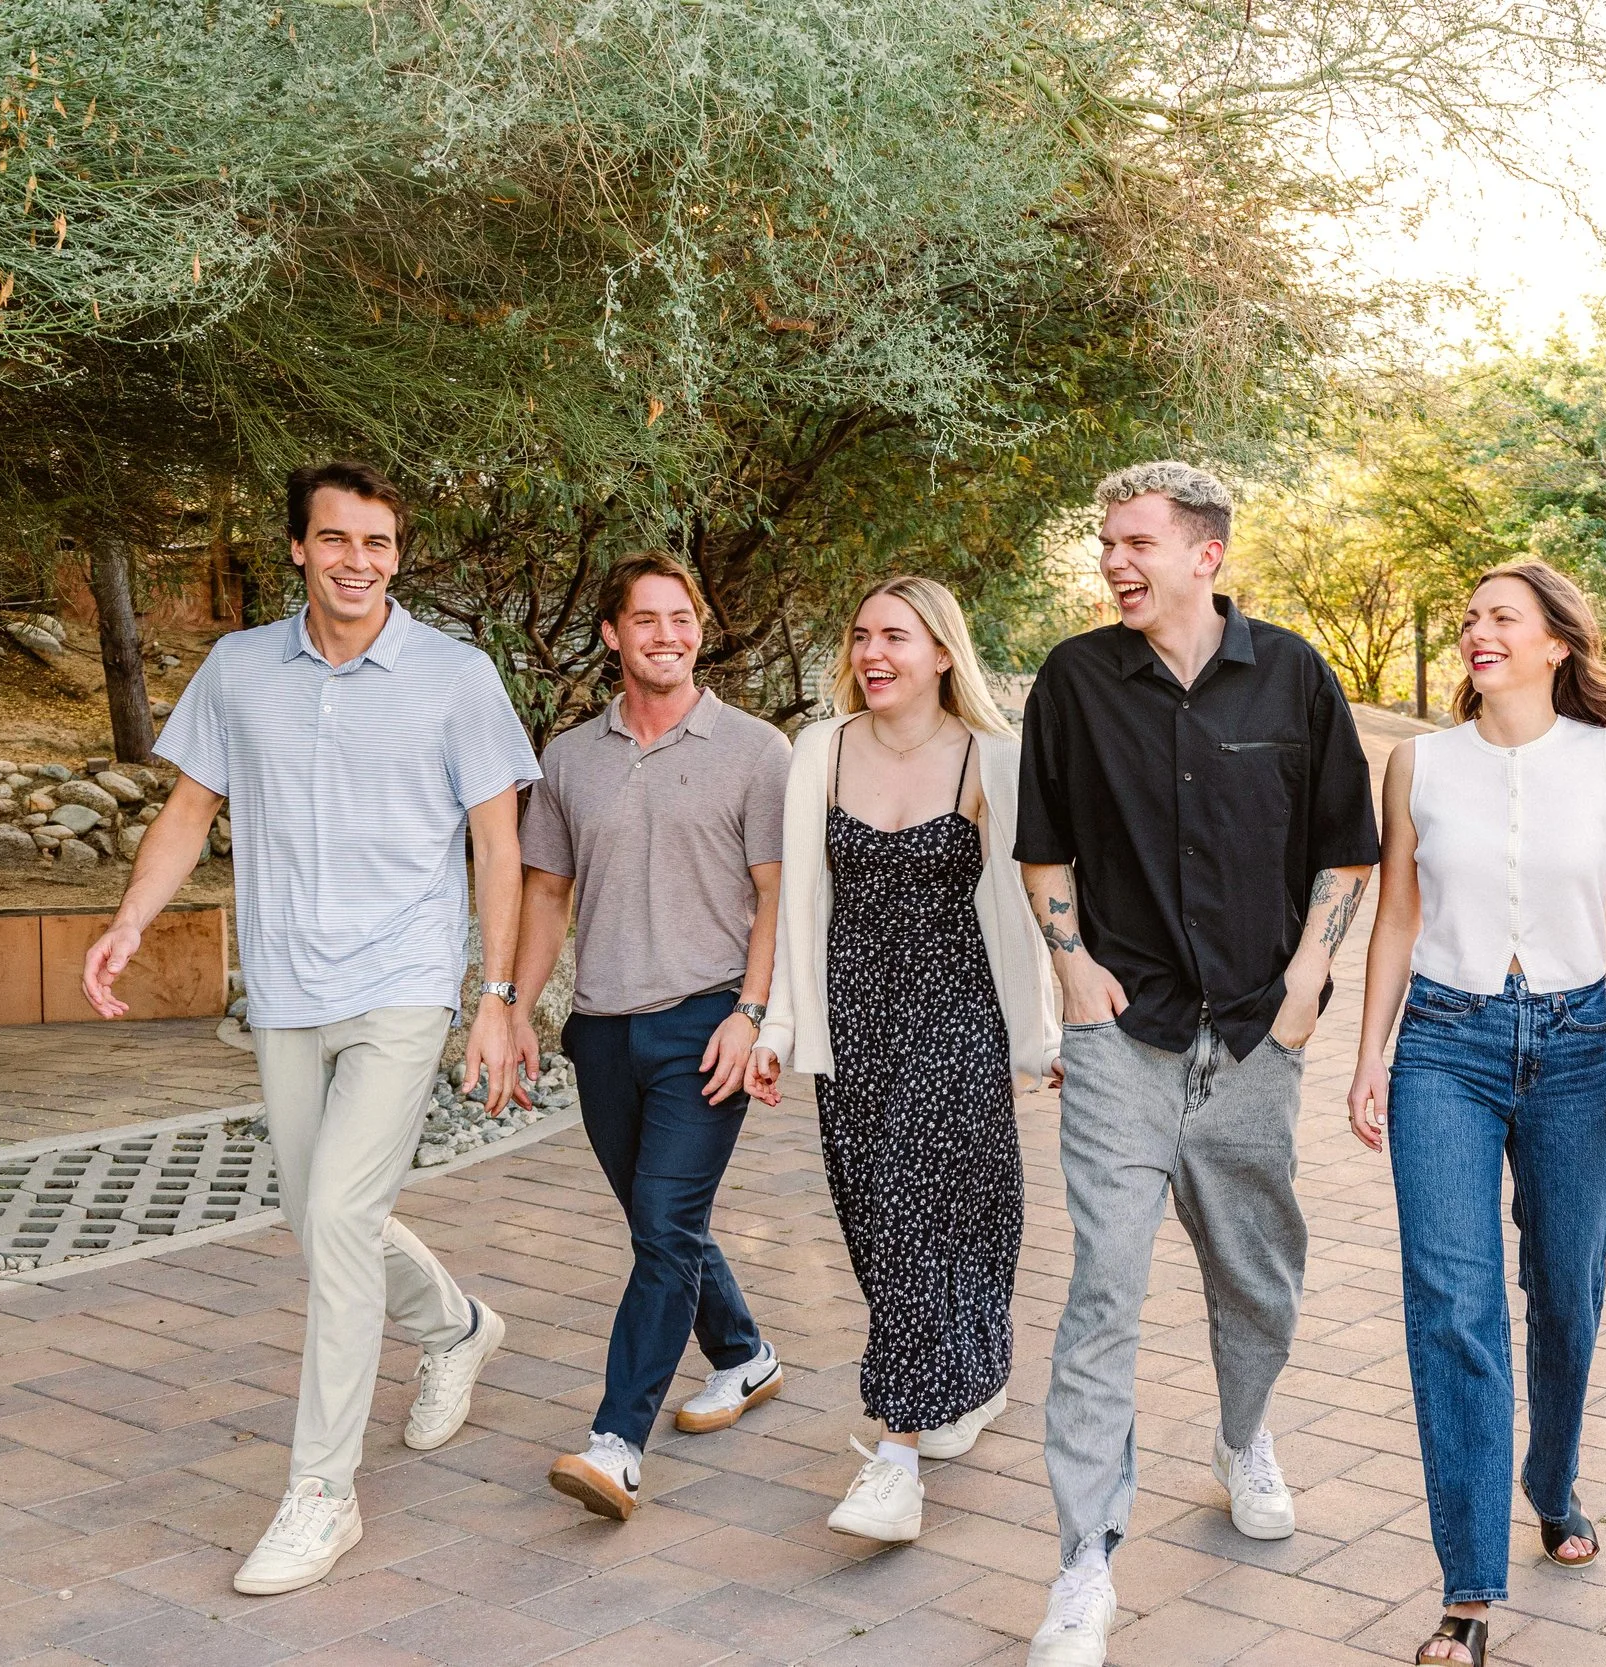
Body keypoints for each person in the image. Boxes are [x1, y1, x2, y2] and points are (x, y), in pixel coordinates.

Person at [81, 461, 539, 1596]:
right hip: (285, 988)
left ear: (397, 552)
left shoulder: (454, 675)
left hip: (402, 983)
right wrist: (129, 922)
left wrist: (496, 996)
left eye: (378, 543)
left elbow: (496, 843)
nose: (357, 561)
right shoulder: (240, 670)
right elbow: (190, 810)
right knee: (321, 1214)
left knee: (336, 1210)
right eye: (336, 540)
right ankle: (459, 1323)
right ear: (297, 547)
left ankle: (321, 1491)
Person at [1014, 461, 1381, 1667]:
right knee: (1102, 1291)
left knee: (1257, 1275)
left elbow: (1344, 852)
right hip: (1121, 1035)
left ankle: (1242, 1433)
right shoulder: (1074, 679)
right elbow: (1044, 848)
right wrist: (1071, 969)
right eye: (1107, 542)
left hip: (1252, 1042)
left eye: (1135, 542)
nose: (1115, 561)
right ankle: (1082, 1562)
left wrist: (1306, 984)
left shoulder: (1293, 675)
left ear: (1204, 553)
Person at [1346, 563, 1606, 1667]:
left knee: (1568, 1288)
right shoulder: (1419, 763)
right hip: (1445, 1039)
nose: (1479, 634)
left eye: (1502, 619)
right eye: (1472, 616)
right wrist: (1370, 1054)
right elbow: (1396, 913)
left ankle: (1552, 1476)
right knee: (1452, 1301)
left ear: (1555, 645)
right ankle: (1470, 1587)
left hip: (1582, 1051)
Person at [746, 575, 1060, 1543]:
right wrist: (778, 1027)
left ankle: (896, 1453)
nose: (872, 651)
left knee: (933, 1214)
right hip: (856, 1027)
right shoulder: (820, 750)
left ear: (940, 654)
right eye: (861, 634)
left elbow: (1029, 909)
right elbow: (799, 902)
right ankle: (965, 1376)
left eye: (896, 635)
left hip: (955, 1019)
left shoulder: (991, 759)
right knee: (885, 1228)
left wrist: (1046, 1033)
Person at [505, 552, 791, 1521]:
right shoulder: (571, 759)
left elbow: (776, 896)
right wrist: (511, 1005)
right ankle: (746, 1352)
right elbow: (545, 890)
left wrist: (753, 1015)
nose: (668, 635)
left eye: (683, 618)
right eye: (648, 620)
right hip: (601, 1033)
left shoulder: (756, 751)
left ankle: (615, 1440)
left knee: (664, 1227)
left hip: (707, 1022)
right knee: (659, 1223)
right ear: (612, 635)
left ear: (698, 631)